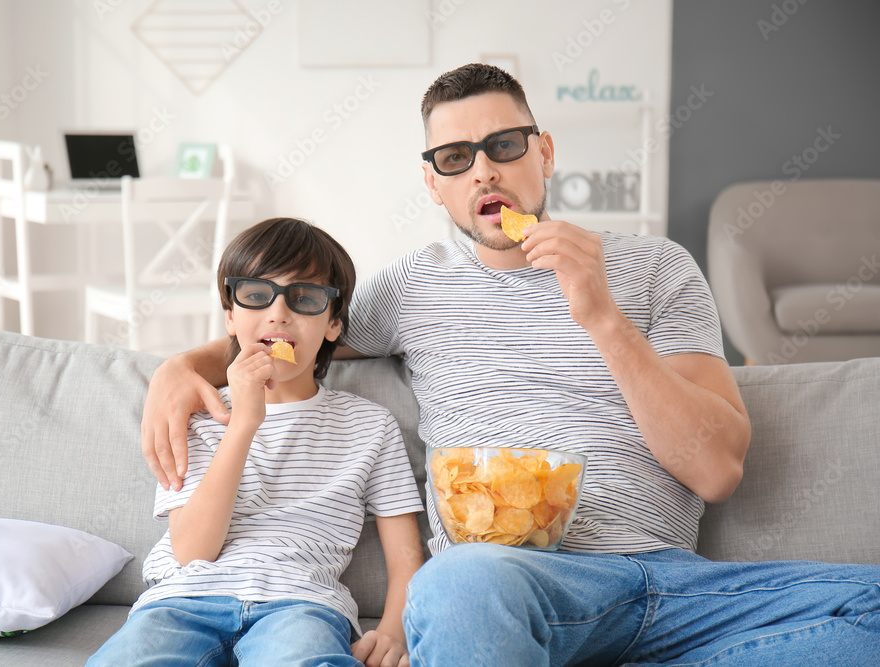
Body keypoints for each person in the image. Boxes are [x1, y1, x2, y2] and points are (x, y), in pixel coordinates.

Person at [139, 66, 880, 665]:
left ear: (544, 153)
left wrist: (600, 316)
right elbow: (299, 325)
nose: (484, 171)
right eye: (455, 159)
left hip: (674, 584)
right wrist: (191, 359)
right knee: (458, 582)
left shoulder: (656, 268)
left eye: (505, 146)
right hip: (505, 584)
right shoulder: (411, 286)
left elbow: (716, 469)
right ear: (434, 184)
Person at [90, 217, 424, 667]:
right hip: (182, 601)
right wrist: (244, 421)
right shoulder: (198, 412)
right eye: (256, 294)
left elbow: (406, 553)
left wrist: (393, 628)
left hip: (302, 605)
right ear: (231, 316)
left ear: (333, 324)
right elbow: (192, 551)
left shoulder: (370, 425)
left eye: (304, 298)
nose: (278, 313)